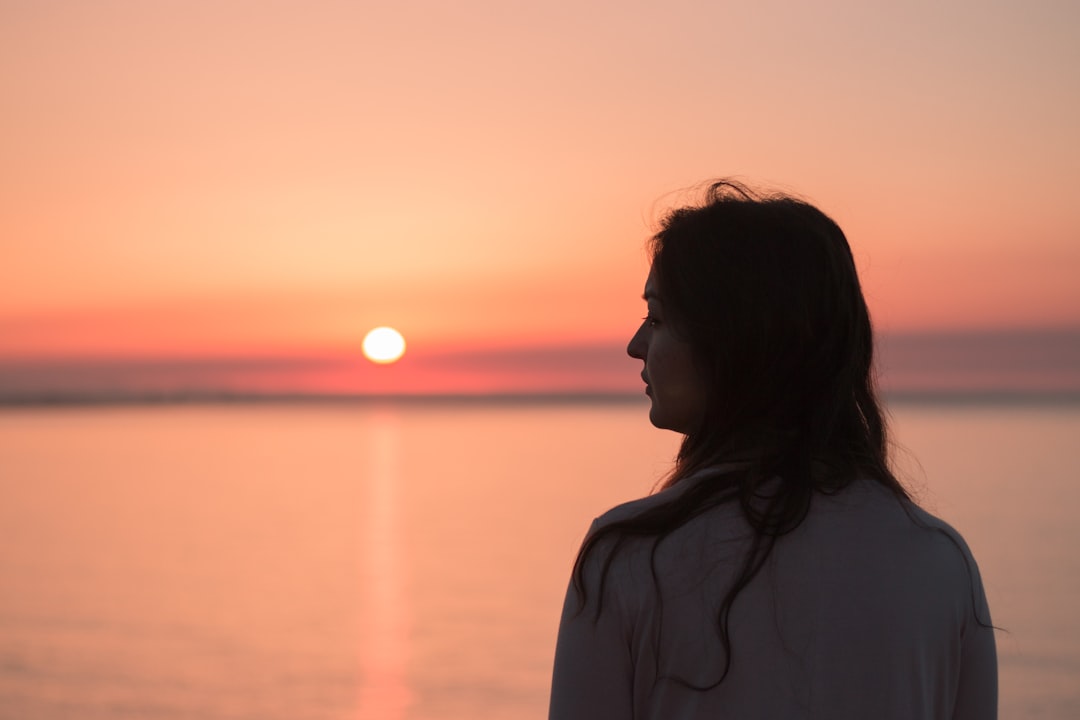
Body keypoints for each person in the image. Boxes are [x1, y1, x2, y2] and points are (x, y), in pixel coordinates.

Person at [548, 181, 997, 719]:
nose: (636, 344)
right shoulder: (941, 565)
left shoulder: (626, 560)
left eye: (658, 318)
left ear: (734, 339)